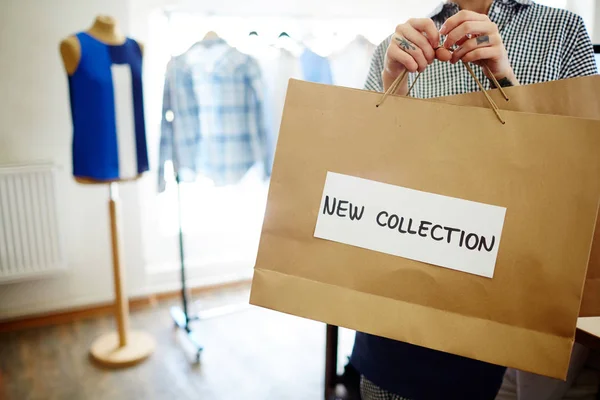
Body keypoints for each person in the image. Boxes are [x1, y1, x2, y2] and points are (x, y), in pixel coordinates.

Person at [350, 1, 598, 399]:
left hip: (508, 323)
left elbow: (583, 176)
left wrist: (507, 83)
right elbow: (358, 177)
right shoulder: (396, 43)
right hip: (398, 313)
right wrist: (389, 94)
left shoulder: (562, 32)